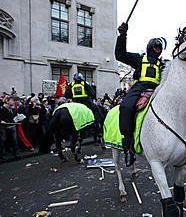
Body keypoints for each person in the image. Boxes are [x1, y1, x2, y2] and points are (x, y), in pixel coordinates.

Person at [115, 22, 166, 167]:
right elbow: (120, 55)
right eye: (155, 46)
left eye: (159, 48)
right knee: (125, 106)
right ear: (150, 47)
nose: (157, 49)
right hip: (140, 87)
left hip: (158, 88)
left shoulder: (163, 64)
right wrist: (122, 36)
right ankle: (128, 147)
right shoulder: (139, 58)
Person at [64, 73, 103, 143]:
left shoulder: (71, 84)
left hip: (75, 103)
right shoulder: (84, 83)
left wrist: (72, 97)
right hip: (86, 103)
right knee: (96, 109)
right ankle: (97, 123)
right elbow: (93, 92)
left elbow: (66, 94)